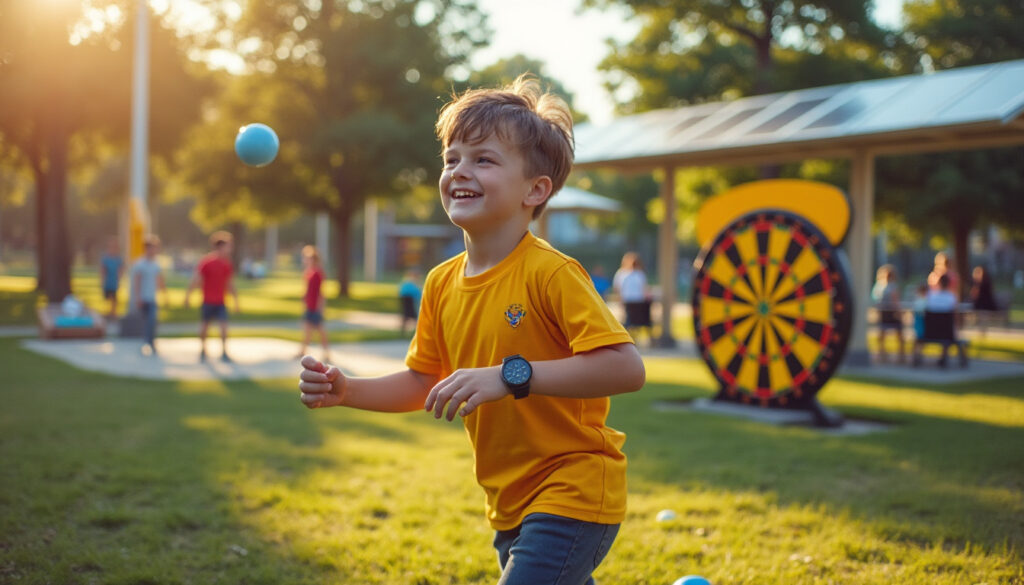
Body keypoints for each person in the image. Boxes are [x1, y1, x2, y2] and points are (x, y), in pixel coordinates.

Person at [298, 75, 646, 585]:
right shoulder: (439, 283)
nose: (460, 169)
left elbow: (625, 367)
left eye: (483, 158)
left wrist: (509, 376)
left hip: (573, 489)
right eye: (452, 158)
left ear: (536, 189)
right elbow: (423, 381)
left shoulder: (550, 273)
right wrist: (348, 390)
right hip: (507, 500)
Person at [184, 231, 239, 363]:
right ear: (220, 246)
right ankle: (203, 349)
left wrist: (236, 301)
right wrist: (188, 296)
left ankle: (224, 352)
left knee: (224, 327)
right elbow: (196, 279)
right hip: (208, 301)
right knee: (204, 326)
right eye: (228, 246)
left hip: (220, 301)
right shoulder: (207, 262)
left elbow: (229, 284)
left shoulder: (227, 264)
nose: (230, 249)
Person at [130, 235, 167, 356]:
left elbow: (160, 280)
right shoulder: (140, 264)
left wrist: (165, 295)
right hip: (143, 298)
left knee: (152, 320)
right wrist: (138, 297)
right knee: (145, 321)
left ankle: (150, 342)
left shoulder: (156, 264)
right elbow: (137, 282)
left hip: (152, 298)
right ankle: (146, 341)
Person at [297, 245, 330, 361]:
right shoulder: (309, 272)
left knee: (320, 331)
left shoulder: (317, 273)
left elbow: (321, 292)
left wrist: (320, 307)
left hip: (315, 307)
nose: (305, 260)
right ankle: (302, 351)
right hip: (309, 305)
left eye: (307, 258)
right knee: (307, 330)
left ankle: (326, 353)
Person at [613, 252, 652, 339]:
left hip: (628, 303)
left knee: (629, 319)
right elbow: (644, 290)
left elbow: (617, 290)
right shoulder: (640, 274)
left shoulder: (621, 274)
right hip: (639, 304)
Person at [870, 264, 905, 363]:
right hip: (892, 315)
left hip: (882, 315)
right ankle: (901, 356)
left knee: (881, 335)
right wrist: (900, 313)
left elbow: (875, 302)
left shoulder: (877, 287)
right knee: (900, 334)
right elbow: (896, 303)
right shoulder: (893, 287)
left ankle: (881, 355)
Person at [99, 237, 125, 319]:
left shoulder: (118, 259)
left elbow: (121, 269)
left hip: (114, 281)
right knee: (108, 296)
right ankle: (109, 312)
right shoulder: (106, 258)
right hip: (108, 281)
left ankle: (113, 313)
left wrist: (119, 277)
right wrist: (102, 280)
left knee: (114, 297)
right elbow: (103, 270)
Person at [398, 270, 422, 336]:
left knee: (406, 316)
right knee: (412, 315)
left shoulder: (406, 282)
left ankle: (404, 331)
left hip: (405, 299)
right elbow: (418, 292)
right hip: (409, 299)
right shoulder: (413, 283)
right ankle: (417, 331)